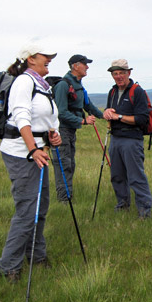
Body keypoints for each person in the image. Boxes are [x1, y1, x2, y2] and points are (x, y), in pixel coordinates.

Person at [0, 44, 62, 283]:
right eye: (46, 57)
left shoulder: (42, 85)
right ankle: (8, 267)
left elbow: (45, 120)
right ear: (31, 59)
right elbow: (22, 117)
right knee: (27, 210)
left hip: (38, 152)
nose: (50, 60)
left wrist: (53, 136)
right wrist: (33, 148)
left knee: (40, 207)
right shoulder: (24, 82)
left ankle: (36, 254)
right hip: (22, 154)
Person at [102, 59, 152, 218]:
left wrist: (118, 116)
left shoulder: (137, 91)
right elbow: (110, 112)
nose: (118, 77)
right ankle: (122, 206)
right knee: (117, 175)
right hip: (115, 138)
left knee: (136, 177)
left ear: (128, 73)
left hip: (132, 140)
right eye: (115, 74)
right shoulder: (112, 91)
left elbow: (141, 119)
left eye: (121, 73)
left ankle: (144, 213)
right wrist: (107, 113)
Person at [51, 54, 103, 202]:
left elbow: (88, 105)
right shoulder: (63, 85)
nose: (87, 67)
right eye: (84, 64)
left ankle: (67, 196)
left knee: (70, 164)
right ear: (75, 66)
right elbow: (60, 112)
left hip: (70, 131)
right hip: (61, 131)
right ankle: (64, 200)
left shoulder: (78, 85)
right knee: (64, 164)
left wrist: (103, 116)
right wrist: (82, 121)